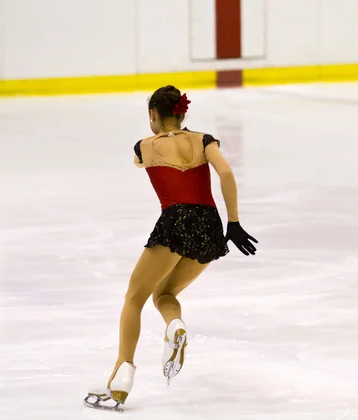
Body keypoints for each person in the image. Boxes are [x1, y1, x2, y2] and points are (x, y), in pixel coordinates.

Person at [84, 85, 257, 411]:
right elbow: (226, 172)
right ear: (182, 112)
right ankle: (174, 325)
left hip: (175, 220)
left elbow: (142, 162)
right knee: (164, 295)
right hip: (210, 225)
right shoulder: (205, 140)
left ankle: (119, 381)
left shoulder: (144, 146)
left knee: (134, 298)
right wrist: (233, 223)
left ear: (153, 115)